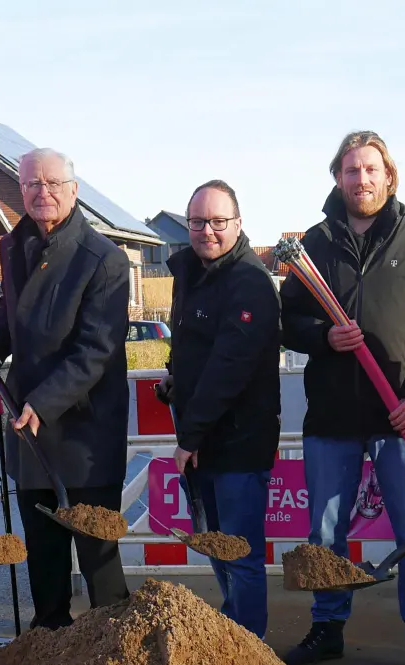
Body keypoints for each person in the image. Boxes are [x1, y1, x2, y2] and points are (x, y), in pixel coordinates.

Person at [278, 131, 405, 665]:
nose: (361, 180)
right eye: (351, 171)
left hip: (398, 412)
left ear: (389, 175)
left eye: (371, 170)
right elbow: (289, 322)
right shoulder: (314, 245)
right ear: (338, 177)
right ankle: (328, 626)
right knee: (324, 534)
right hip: (332, 416)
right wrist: (322, 337)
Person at [0, 148, 131, 628]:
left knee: (98, 552)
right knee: (43, 550)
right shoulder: (13, 246)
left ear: (74, 190)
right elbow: (12, 313)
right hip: (30, 428)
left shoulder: (103, 260)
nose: (43, 193)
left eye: (54, 183)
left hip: (84, 430)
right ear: (19, 190)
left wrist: (43, 401)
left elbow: (96, 350)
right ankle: (49, 648)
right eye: (32, 184)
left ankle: (114, 648)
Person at [159, 180, 281, 638]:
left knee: (239, 551)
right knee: (214, 543)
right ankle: (234, 633)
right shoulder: (190, 272)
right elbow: (191, 342)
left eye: (217, 222)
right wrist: (174, 372)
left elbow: (230, 367)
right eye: (197, 222)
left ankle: (250, 646)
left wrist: (190, 437)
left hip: (238, 442)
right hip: (202, 439)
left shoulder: (248, 281)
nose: (206, 231)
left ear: (237, 224)